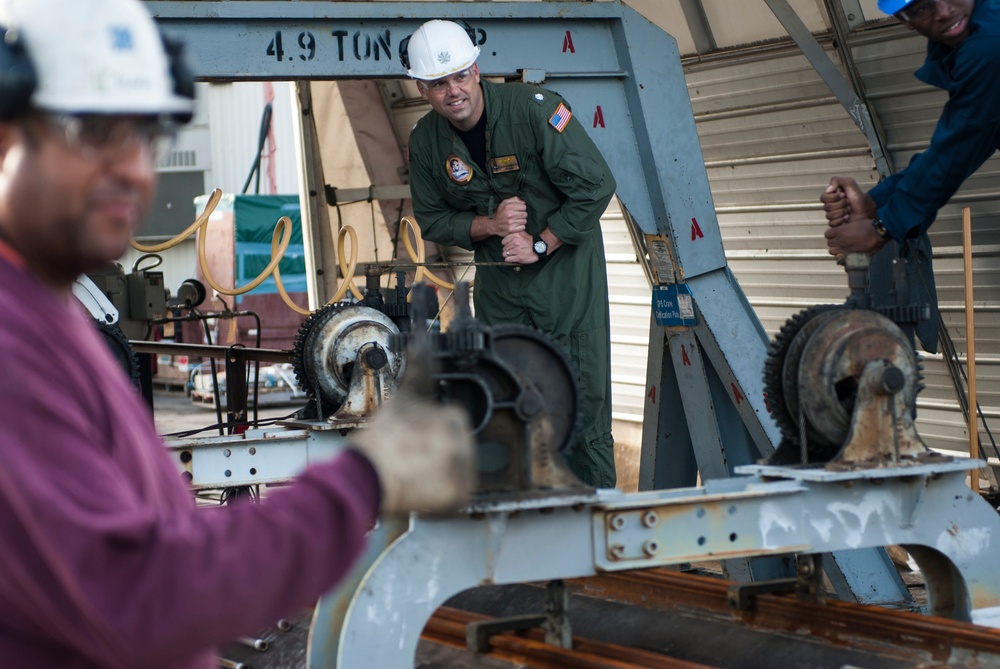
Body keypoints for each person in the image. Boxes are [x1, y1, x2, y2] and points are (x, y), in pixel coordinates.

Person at [0, 1, 475, 667]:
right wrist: (364, 478)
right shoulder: (13, 348)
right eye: (93, 132)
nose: (133, 170)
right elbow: (141, 594)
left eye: (146, 136)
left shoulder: (53, 310)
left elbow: (150, 541)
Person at [403, 19, 619, 488]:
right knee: (509, 408)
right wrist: (491, 226)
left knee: (581, 409)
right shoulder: (426, 142)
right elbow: (435, 220)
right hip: (500, 290)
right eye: (438, 83)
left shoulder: (535, 109)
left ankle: (601, 544)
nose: (452, 91)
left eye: (459, 76)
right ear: (422, 88)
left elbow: (596, 185)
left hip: (566, 285)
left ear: (477, 71)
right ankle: (531, 544)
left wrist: (542, 241)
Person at [821, 0, 999, 256]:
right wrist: (873, 203)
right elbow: (963, 144)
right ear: (903, 20)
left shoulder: (988, 46)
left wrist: (881, 229)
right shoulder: (973, 32)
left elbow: (955, 151)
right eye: (922, 8)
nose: (945, 12)